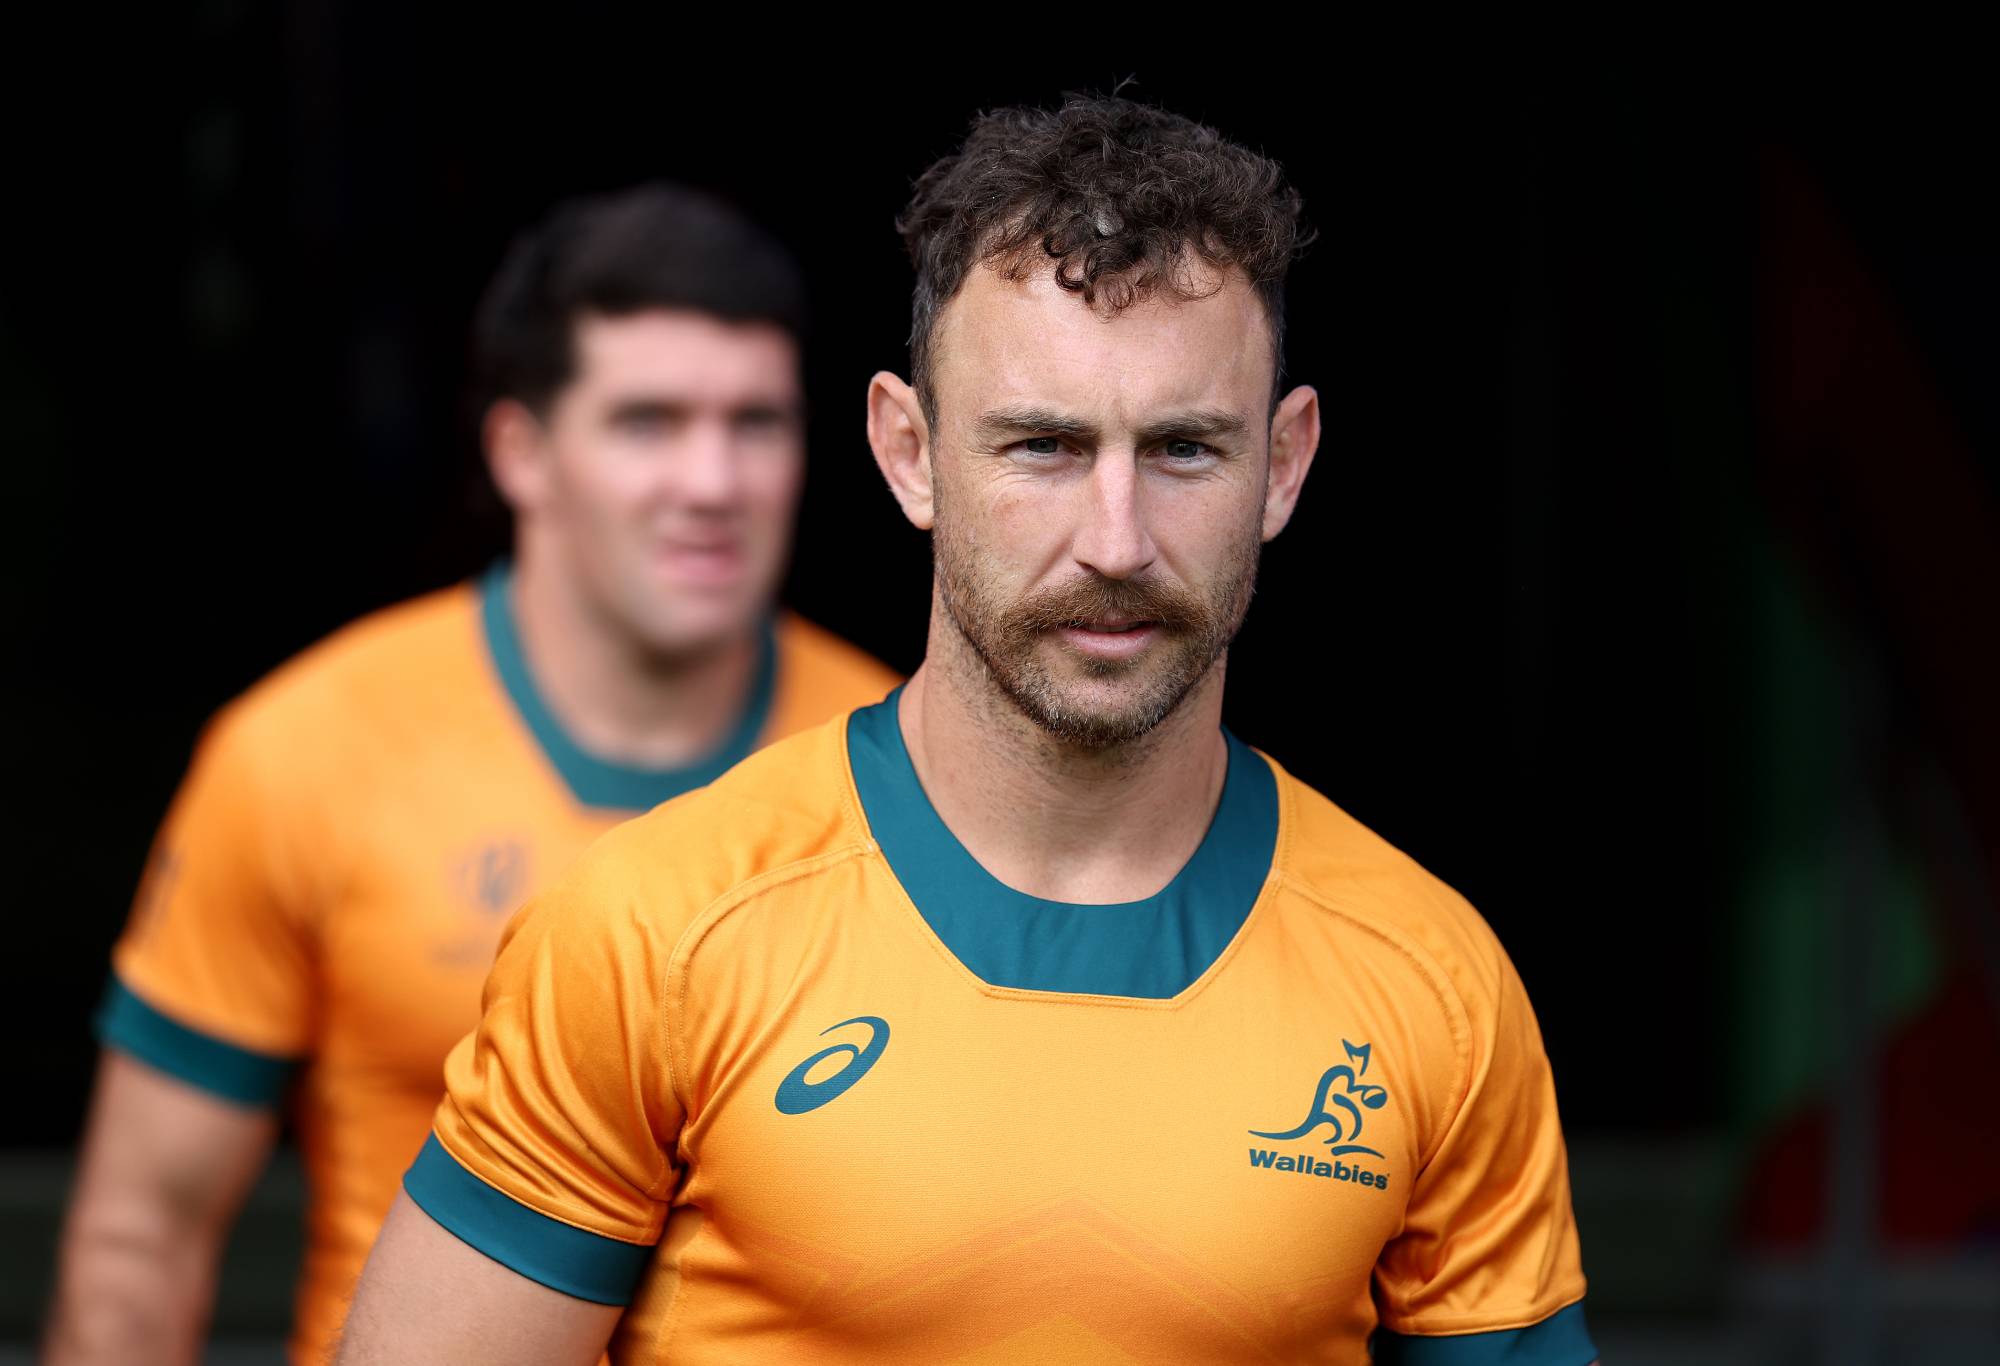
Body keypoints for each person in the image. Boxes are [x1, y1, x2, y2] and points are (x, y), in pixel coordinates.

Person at [336, 98, 1596, 1365]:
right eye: (1041, 446)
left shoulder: (1433, 986)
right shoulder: (652, 937)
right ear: (909, 451)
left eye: (1184, 449)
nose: (1115, 539)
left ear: (1282, 464)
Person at [45, 183, 900, 1366]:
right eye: (647, 422)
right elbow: (143, 1232)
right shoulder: (305, 751)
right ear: (520, 452)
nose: (713, 482)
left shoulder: (912, 760)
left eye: (755, 423)